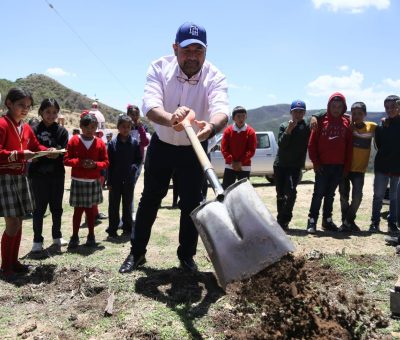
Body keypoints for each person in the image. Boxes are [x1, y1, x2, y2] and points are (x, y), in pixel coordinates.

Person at [119, 22, 229, 273]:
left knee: (192, 204)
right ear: (175, 48)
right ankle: (137, 253)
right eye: (187, 50)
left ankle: (186, 257)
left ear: (206, 51)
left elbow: (222, 110)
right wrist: (172, 119)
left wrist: (210, 128)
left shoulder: (215, 76)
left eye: (198, 51)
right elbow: (150, 106)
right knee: (149, 200)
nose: (192, 57)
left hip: (195, 147)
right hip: (163, 144)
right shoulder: (159, 68)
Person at [0, 88, 49, 278]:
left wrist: (49, 150)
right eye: (21, 105)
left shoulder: (26, 127)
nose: (25, 109)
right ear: (9, 104)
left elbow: (36, 147)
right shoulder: (2, 124)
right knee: (12, 223)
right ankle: (6, 267)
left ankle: (14, 261)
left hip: (20, 177)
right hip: (4, 178)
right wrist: (21, 155)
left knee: (18, 222)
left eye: (28, 106)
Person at [306, 92, 352, 234]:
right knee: (318, 193)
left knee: (330, 195)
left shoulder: (346, 123)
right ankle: (312, 221)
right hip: (322, 166)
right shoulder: (320, 121)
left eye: (339, 106)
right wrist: (316, 163)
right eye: (333, 106)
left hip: (338, 166)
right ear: (329, 106)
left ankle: (327, 220)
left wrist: (346, 167)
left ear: (343, 107)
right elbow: (311, 144)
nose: (336, 109)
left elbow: (349, 147)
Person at [29, 99, 69, 252]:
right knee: (38, 209)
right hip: (38, 175)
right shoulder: (33, 129)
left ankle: (57, 236)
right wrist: (37, 155)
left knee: (57, 208)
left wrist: (56, 154)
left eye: (54, 112)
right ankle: (37, 240)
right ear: (41, 112)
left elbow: (64, 151)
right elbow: (30, 149)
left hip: (57, 175)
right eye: (47, 112)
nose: (51, 115)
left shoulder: (62, 131)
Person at [64, 113, 109, 248]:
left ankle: (91, 235)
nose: (91, 130)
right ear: (81, 127)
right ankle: (75, 236)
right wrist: (80, 162)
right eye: (88, 127)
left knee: (90, 211)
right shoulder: (74, 141)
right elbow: (66, 160)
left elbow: (106, 162)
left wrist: (95, 165)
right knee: (78, 210)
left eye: (94, 127)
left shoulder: (100, 142)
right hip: (78, 181)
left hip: (93, 180)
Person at [338, 102, 376, 233]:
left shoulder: (372, 127)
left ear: (365, 114)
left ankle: (347, 221)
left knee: (358, 197)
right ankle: (347, 222)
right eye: (354, 113)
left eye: (360, 113)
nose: (357, 116)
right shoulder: (347, 127)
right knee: (343, 196)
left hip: (359, 170)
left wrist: (385, 120)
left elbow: (386, 127)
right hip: (345, 168)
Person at [273, 100, 311, 230]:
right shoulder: (284, 125)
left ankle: (286, 218)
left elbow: (321, 114)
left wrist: (316, 117)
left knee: (291, 192)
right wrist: (289, 130)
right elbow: (282, 144)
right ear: (291, 112)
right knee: (280, 194)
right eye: (295, 111)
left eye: (301, 112)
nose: (298, 114)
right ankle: (281, 221)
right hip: (280, 165)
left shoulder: (307, 126)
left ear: (304, 113)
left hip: (295, 166)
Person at [106, 115, 142, 237]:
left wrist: (135, 168)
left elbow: (138, 160)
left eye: (128, 127)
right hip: (115, 180)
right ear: (118, 127)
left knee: (127, 204)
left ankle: (127, 227)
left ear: (131, 128)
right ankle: (112, 229)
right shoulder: (112, 144)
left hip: (128, 179)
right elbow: (108, 164)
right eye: (123, 127)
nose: (126, 129)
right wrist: (108, 181)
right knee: (113, 205)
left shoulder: (135, 143)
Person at [370, 95, 400, 234]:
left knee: (394, 197)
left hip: (397, 167)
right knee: (378, 196)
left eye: (393, 107)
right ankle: (375, 223)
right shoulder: (381, 126)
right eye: (387, 107)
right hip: (382, 166)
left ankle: (392, 223)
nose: (390, 110)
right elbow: (379, 145)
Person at [221, 106, 256, 189]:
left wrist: (241, 162)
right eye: (238, 116)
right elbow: (224, 149)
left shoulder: (250, 132)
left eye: (243, 116)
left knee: (244, 191)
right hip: (230, 165)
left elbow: (251, 150)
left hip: (245, 166)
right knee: (226, 190)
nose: (241, 118)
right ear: (233, 118)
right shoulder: (228, 131)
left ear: (246, 117)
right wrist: (232, 161)